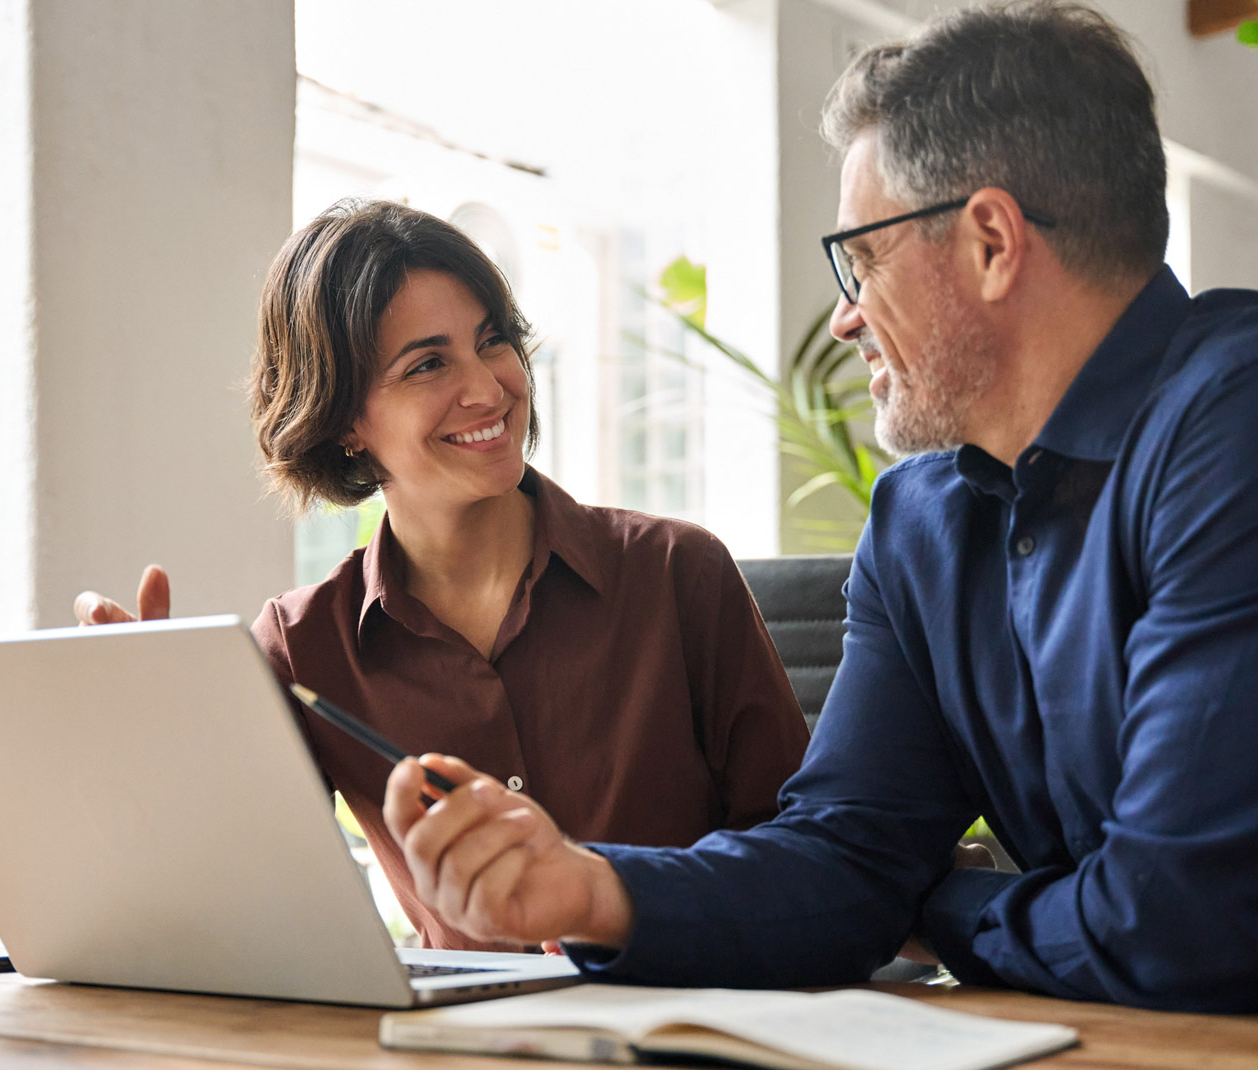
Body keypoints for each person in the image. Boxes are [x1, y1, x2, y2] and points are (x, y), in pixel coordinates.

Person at [380, 0, 1258, 1013]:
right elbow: (846, 852)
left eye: (860, 259)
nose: (844, 320)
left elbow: (1180, 924)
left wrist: (928, 905)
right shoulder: (921, 521)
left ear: (991, 242)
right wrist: (585, 891)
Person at [75, 198, 810, 951]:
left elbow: (808, 862)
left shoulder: (676, 574)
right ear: (344, 422)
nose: (490, 390)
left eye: (493, 343)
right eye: (428, 364)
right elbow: (241, 897)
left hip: (693, 1027)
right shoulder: (303, 648)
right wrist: (157, 727)